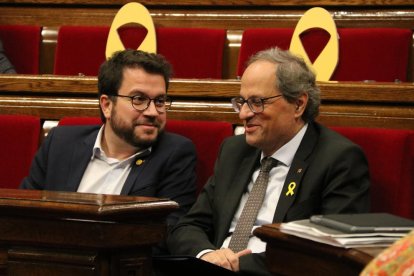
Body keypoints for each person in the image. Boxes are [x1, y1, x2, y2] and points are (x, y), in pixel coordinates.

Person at [167, 47, 370, 275]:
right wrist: (207, 254)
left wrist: (233, 266)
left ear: (298, 104)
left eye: (257, 102)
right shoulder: (234, 150)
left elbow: (327, 255)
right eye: (242, 102)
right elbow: (188, 226)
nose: (243, 114)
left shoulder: (338, 159)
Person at [21, 49, 197, 254]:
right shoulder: (60, 143)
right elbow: (23, 217)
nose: (152, 112)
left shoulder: (175, 154)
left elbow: (164, 236)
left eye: (159, 101)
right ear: (106, 105)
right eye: (138, 99)